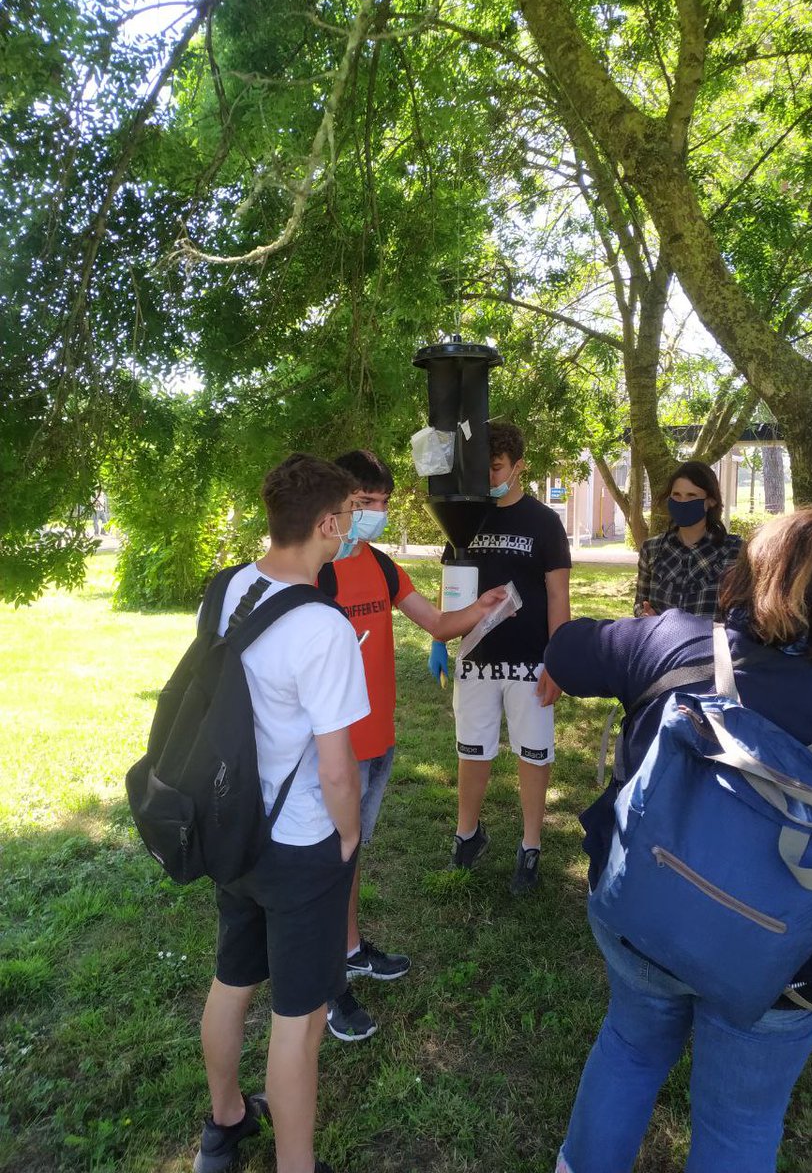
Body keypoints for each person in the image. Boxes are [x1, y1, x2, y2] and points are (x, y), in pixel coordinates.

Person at [544, 508, 812, 1173]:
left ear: (748, 571)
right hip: (784, 966)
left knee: (629, 1048)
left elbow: (564, 651)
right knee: (739, 1119)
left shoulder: (677, 642)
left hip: (644, 917)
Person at [193, 453, 370, 1173]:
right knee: (298, 1023)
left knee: (232, 981)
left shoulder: (228, 588)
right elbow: (337, 766)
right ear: (326, 524)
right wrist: (350, 834)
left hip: (230, 826)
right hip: (300, 844)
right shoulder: (324, 627)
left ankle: (225, 1123)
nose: (353, 530)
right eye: (350, 518)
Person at [319, 449, 507, 1042]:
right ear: (335, 506)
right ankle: (327, 988)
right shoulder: (314, 572)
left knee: (351, 856)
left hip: (378, 739)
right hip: (329, 748)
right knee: (326, 865)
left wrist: (480, 608)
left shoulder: (382, 567)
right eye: (362, 503)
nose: (373, 513)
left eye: (381, 503)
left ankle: (349, 950)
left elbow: (436, 623)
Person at [431, 421, 571, 894]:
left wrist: (559, 658)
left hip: (531, 660)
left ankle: (531, 845)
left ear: (518, 467)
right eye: (481, 470)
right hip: (477, 657)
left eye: (495, 469)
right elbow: (453, 582)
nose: (488, 478)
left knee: (533, 753)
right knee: (472, 750)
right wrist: (439, 637)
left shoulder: (545, 523)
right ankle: (466, 834)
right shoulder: (467, 518)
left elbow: (557, 595)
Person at [634, 460, 742, 618]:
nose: (682, 502)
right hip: (663, 641)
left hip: (711, 642)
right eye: (676, 495)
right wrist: (644, 614)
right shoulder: (652, 549)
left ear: (711, 501)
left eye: (692, 495)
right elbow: (640, 603)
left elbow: (745, 614)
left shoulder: (735, 551)